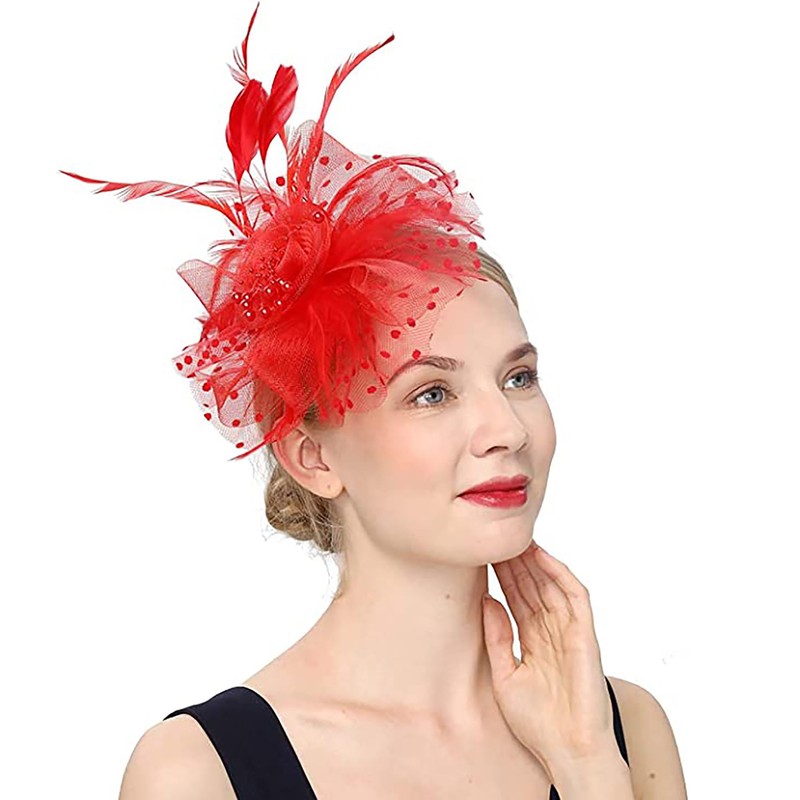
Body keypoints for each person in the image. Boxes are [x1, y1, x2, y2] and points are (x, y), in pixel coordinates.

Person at [63, 4, 686, 798]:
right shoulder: (198, 771)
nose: (506, 429)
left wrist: (586, 766)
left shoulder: (624, 728)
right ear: (312, 455)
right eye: (432, 393)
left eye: (518, 378)